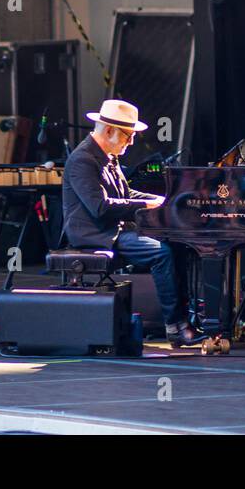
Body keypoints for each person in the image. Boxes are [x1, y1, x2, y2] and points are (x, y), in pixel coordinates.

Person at [61, 98, 202, 347]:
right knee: (162, 254)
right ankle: (175, 327)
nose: (132, 141)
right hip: (97, 234)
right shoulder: (83, 160)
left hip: (116, 229)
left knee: (179, 244)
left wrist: (162, 199)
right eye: (128, 135)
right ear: (109, 131)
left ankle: (184, 320)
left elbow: (126, 196)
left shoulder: (108, 156)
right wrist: (147, 205)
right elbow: (100, 207)